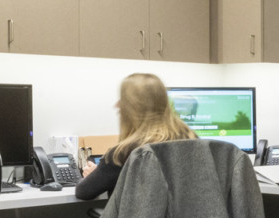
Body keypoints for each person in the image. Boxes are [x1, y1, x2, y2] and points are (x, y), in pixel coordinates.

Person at [76, 73, 197, 201]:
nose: (117, 105)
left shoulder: (125, 152)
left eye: (123, 100)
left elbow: (84, 192)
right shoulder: (193, 140)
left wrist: (95, 175)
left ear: (131, 108)